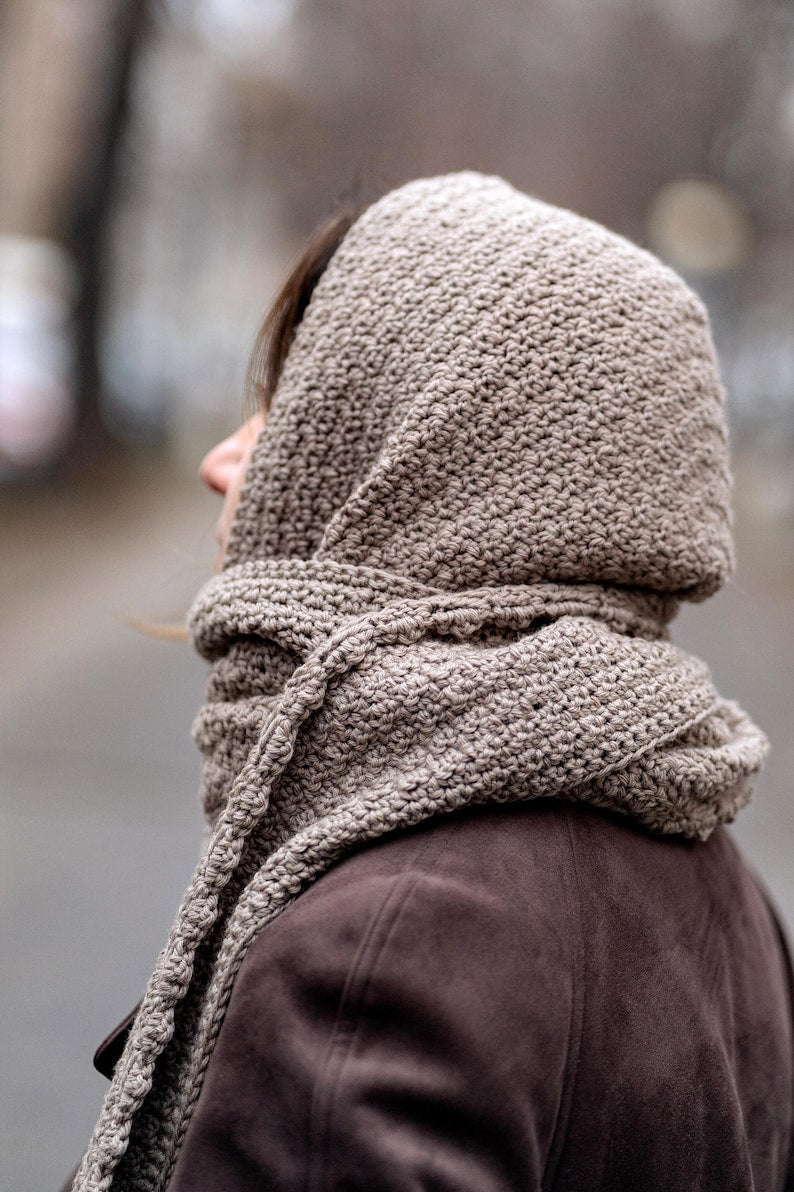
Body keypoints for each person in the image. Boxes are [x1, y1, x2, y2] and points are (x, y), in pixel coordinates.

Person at [68, 172, 793, 1191]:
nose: (221, 460)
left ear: (438, 466)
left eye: (299, 405)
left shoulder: (382, 954)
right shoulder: (732, 895)